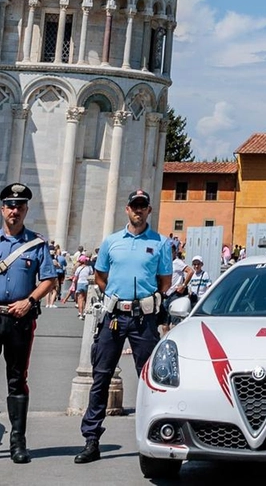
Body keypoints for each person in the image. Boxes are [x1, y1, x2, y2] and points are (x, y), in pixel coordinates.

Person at [77, 189, 172, 464]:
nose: (138, 211)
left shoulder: (161, 243)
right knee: (101, 376)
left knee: (150, 379)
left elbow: (164, 282)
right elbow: (100, 277)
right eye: (134, 206)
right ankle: (91, 440)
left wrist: (145, 300)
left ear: (149, 211)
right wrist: (118, 298)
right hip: (115, 316)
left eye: (143, 206)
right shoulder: (111, 242)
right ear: (127, 209)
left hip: (144, 319)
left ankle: (155, 437)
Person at [0, 183, 59, 463]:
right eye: (10, 206)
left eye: (20, 206)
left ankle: (17, 442)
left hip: (20, 319)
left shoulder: (36, 244)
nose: (15, 211)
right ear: (2, 209)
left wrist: (30, 302)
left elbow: (49, 279)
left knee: (17, 379)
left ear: (26, 210)